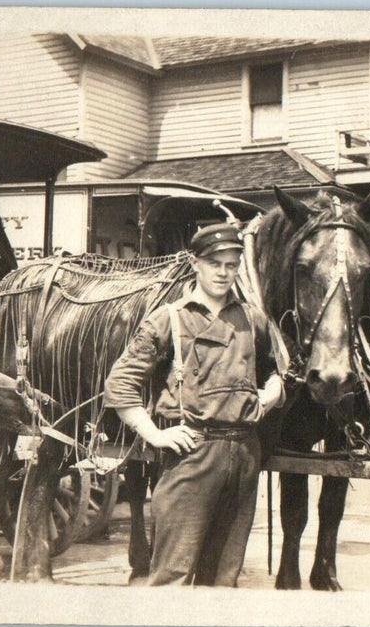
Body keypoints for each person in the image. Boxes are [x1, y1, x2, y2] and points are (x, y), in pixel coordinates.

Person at [103, 222, 285, 587]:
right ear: (196, 264)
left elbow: (279, 369)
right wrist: (154, 434)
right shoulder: (169, 318)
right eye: (214, 263)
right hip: (191, 457)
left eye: (231, 264)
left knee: (223, 580)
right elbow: (120, 384)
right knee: (172, 577)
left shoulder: (253, 318)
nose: (223, 272)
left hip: (244, 457)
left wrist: (272, 391)